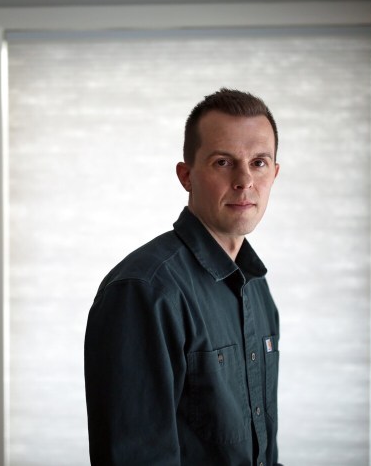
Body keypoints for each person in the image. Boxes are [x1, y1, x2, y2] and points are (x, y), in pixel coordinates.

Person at [84, 88, 283, 466]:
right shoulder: (144, 290)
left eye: (258, 163)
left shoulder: (257, 287)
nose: (244, 180)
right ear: (186, 175)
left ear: (274, 173)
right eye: (223, 162)